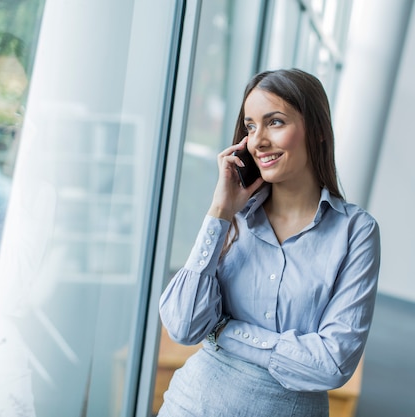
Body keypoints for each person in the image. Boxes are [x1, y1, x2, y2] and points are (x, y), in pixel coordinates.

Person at [158, 68, 381, 417]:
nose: (257, 140)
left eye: (274, 122)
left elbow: (333, 364)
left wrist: (225, 331)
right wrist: (219, 211)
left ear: (318, 131)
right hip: (193, 405)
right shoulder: (233, 216)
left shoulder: (356, 232)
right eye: (250, 126)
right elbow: (184, 326)